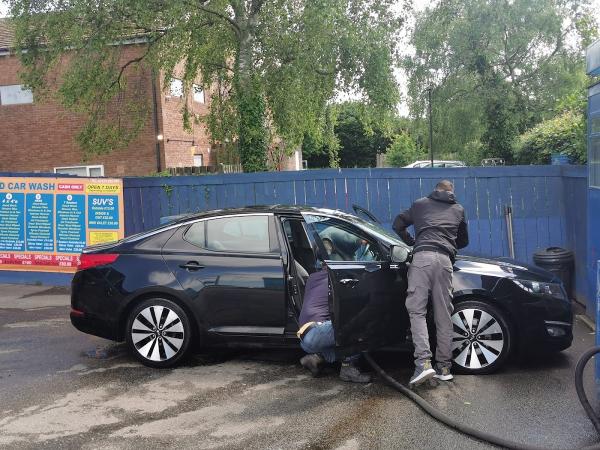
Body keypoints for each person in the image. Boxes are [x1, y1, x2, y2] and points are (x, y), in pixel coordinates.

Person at [393, 180, 469, 386]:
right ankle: (444, 368)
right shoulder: (458, 209)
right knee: (443, 314)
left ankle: (424, 364)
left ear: (435, 189)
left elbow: (397, 224)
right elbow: (463, 241)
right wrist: (448, 240)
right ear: (451, 191)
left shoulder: (420, 204)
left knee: (417, 311)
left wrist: (411, 240)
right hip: (445, 262)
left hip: (422, 259)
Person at [297, 266, 371, 383]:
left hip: (304, 336)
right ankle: (348, 370)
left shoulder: (312, 278)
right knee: (357, 325)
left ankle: (316, 358)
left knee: (341, 337)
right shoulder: (335, 280)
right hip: (317, 330)